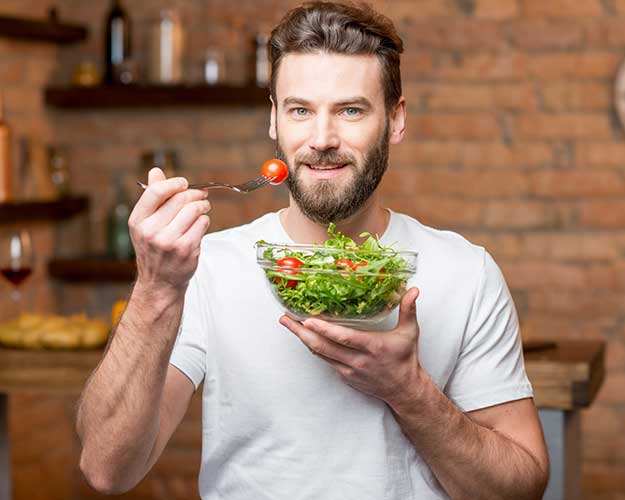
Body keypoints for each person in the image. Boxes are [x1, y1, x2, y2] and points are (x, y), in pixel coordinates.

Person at [76, 2, 549, 499]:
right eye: (301, 110)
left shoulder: (465, 272)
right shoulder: (207, 268)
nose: (322, 139)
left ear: (396, 119)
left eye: (350, 110)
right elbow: (107, 468)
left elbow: (520, 489)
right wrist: (155, 287)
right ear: (275, 121)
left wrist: (407, 390)